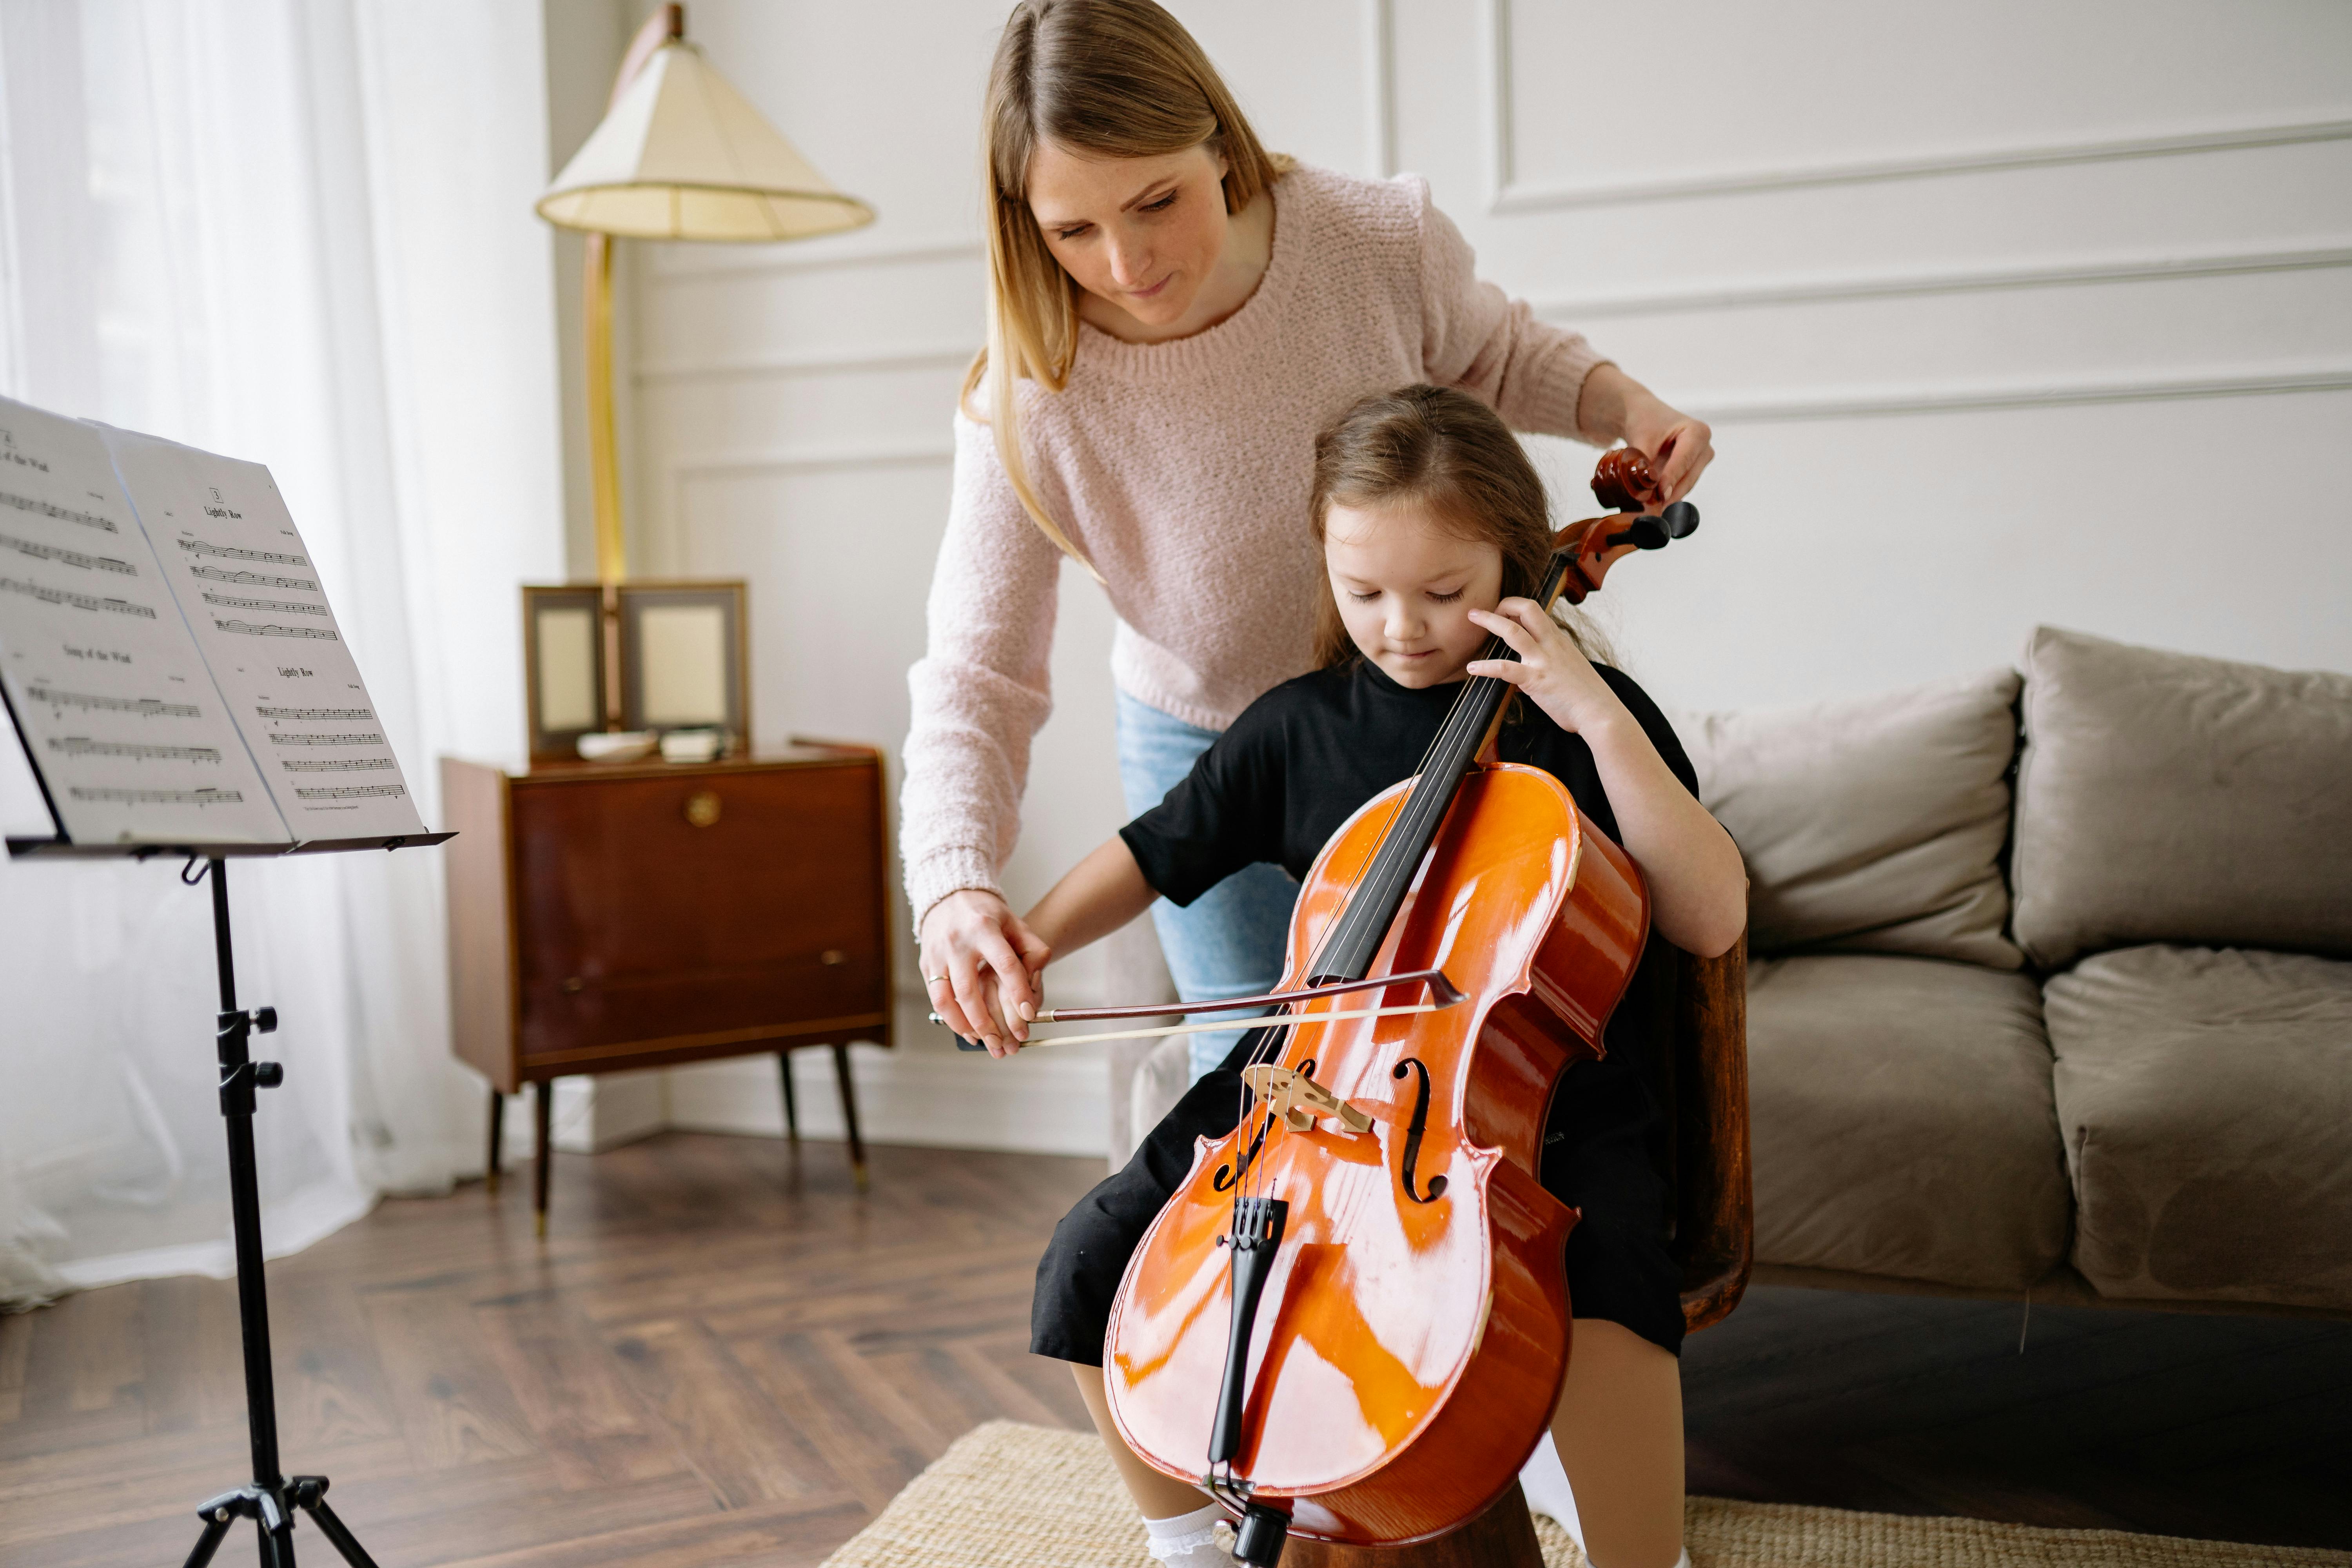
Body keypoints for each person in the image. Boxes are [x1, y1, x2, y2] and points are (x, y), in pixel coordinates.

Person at [998, 386, 1748, 1568]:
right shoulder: (1299, 724)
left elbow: (1712, 917)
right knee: (1095, 1257)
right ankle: (1192, 1545)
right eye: (1364, 593)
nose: (1402, 627)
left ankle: (1641, 1559)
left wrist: (1598, 718)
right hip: (1314, 1076)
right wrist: (1029, 941)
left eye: (1445, 594)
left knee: (1604, 1276)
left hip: (1539, 1093)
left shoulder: (1578, 722)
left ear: (1510, 555)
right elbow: (1154, 851)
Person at [905, 0, 1715, 1081]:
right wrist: (956, 885)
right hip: (1207, 736)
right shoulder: (1031, 394)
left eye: (1158, 201)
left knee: (1471, 1054)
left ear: (1219, 143)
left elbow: (1500, 355)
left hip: (1427, 704)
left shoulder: (1369, 240)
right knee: (1253, 1089)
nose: (1128, 262)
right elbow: (977, 673)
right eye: (1072, 231)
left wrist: (1629, 403)